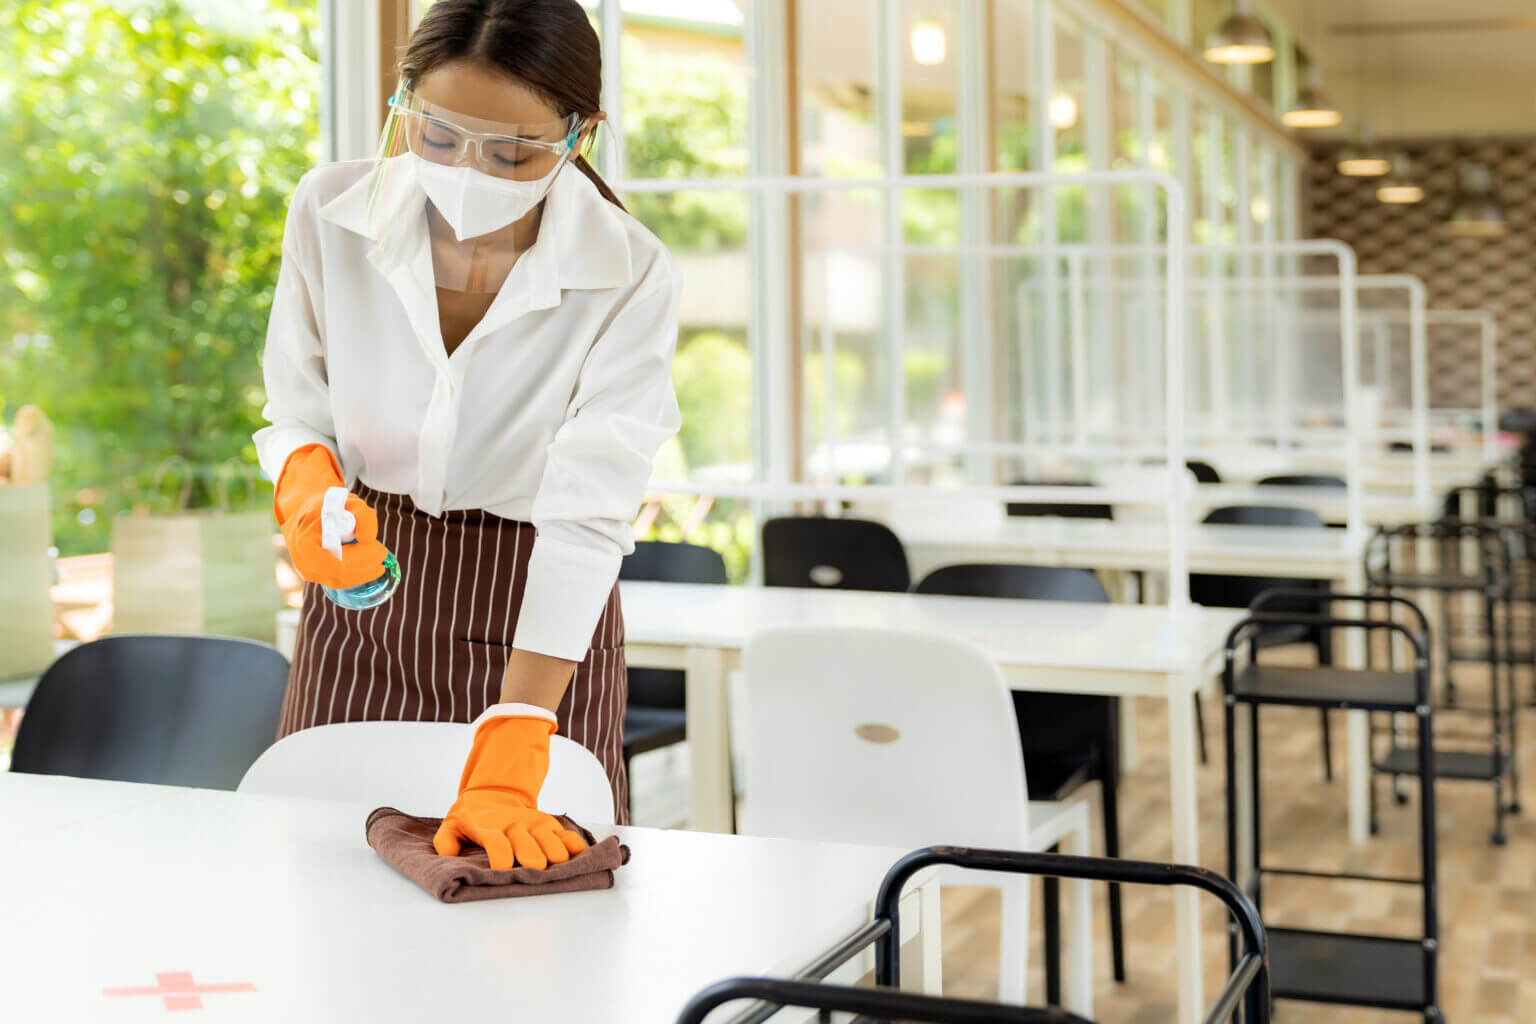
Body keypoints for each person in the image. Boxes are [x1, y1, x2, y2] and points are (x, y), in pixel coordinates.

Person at [253, 0, 680, 868]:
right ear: (403, 103)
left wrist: (521, 728)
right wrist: (307, 491)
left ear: (579, 134)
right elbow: (298, 408)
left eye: (514, 152)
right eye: (437, 138)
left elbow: (590, 509)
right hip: (366, 598)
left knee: (528, 906)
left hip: (538, 606)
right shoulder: (330, 212)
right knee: (326, 882)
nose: (467, 173)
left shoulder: (629, 272)